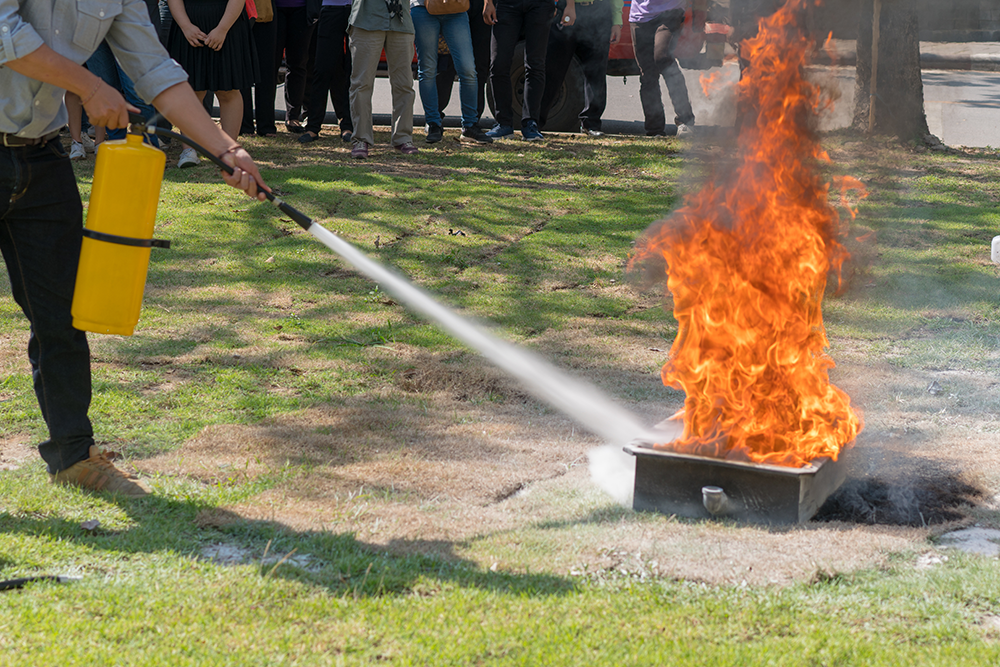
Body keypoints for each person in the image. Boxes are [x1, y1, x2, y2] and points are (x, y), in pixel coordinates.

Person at [0, 0, 268, 496]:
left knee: (61, 315)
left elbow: (153, 67)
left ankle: (74, 457)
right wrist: (91, 86)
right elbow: (4, 34)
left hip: (40, 155)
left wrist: (223, 147)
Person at [167, 0, 260, 167]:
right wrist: (185, 26)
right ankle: (189, 150)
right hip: (188, 25)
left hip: (228, 25)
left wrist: (223, 29)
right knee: (191, 92)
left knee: (229, 90)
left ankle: (229, 152)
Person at [411, 0, 493, 144]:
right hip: (423, 9)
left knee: (468, 69)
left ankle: (470, 125)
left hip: (456, 10)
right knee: (428, 69)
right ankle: (433, 124)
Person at [347, 0, 419, 158]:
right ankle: (361, 138)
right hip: (366, 20)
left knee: (404, 84)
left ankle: (403, 138)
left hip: (401, 21)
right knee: (361, 84)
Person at [539, 0, 622, 136]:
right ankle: (535, 122)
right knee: (553, 70)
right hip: (568, 9)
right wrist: (569, 6)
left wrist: (617, 21)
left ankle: (591, 124)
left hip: (600, 11)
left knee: (596, 73)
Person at [483, 0, 563, 140]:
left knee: (535, 64)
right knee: (498, 63)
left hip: (540, 5)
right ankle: (503, 124)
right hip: (506, 5)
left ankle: (531, 124)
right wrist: (487, 2)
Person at [629, 0, 695, 136]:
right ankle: (654, 129)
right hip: (640, 16)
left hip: (670, 12)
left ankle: (685, 120)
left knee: (663, 58)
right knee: (647, 74)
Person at [298, 0, 354, 143]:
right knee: (322, 69)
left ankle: (348, 125)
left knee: (351, 71)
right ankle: (313, 127)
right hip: (330, 8)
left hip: (357, 11)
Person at [434, 0, 491, 129]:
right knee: (445, 61)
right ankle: (434, 119)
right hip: (451, 4)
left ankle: (472, 122)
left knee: (478, 65)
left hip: (482, 5)